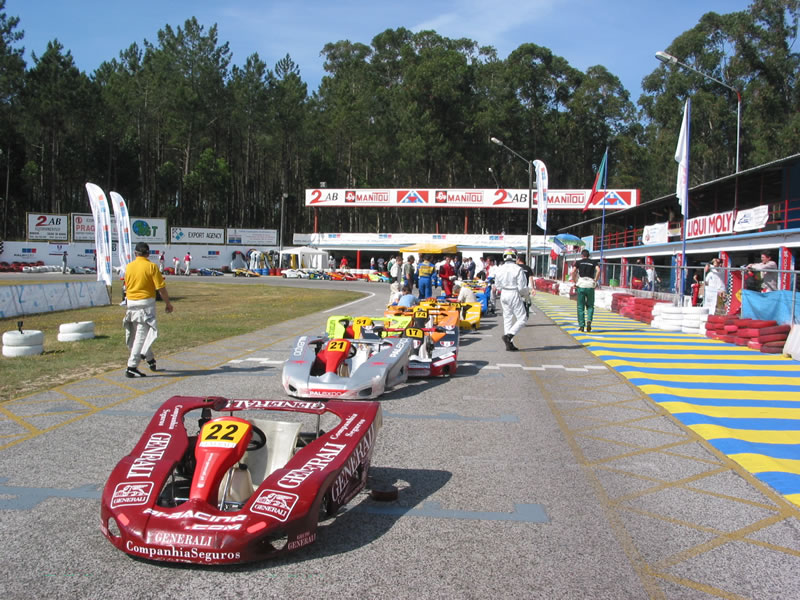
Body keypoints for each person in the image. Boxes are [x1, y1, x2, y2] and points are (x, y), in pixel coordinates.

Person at [123, 242, 174, 378]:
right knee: (141, 334)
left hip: (131, 302)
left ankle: (150, 359)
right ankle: (132, 366)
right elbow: (161, 288)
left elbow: (126, 285)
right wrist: (168, 303)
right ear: (148, 254)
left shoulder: (129, 266)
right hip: (145, 303)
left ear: (135, 253)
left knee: (141, 332)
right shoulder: (151, 267)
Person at [494, 248, 529, 351]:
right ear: (515, 256)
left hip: (504, 293)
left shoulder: (499, 269)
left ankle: (509, 344)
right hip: (513, 292)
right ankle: (509, 336)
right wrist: (525, 295)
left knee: (507, 318)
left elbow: (497, 285)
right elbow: (522, 287)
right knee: (522, 318)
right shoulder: (518, 269)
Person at [571, 249, 599, 332]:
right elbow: (598, 270)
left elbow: (573, 271)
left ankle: (581, 326)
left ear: (582, 255)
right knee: (590, 305)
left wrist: (575, 281)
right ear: (589, 255)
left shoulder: (579, 262)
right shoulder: (593, 262)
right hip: (590, 285)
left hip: (581, 285)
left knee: (580, 306)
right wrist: (595, 280)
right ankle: (589, 320)